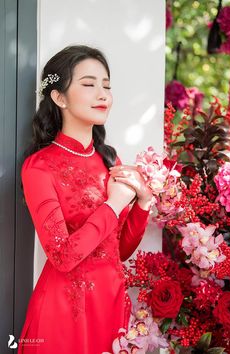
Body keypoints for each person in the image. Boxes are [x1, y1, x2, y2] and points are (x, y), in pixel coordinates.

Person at [18, 45, 153, 354]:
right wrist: (114, 204)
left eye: (106, 85)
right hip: (65, 313)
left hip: (110, 305)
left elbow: (117, 251)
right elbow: (63, 257)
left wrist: (142, 204)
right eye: (89, 84)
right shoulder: (39, 166)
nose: (102, 94)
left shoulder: (109, 159)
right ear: (59, 97)